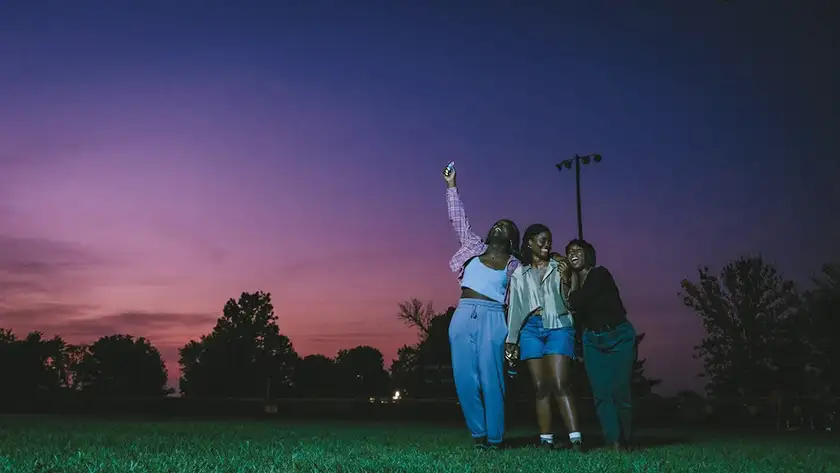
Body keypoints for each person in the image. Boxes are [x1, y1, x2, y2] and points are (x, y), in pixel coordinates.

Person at [443, 163, 520, 450]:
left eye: (506, 226)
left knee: (493, 381)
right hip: (463, 314)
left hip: (494, 318)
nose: (499, 225)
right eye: (497, 224)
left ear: (512, 238)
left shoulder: (515, 266)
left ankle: (496, 438)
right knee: (464, 379)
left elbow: (521, 301)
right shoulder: (473, 247)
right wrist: (451, 186)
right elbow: (458, 218)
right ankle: (478, 435)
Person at [505, 224, 584, 451]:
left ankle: (576, 439)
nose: (547, 244)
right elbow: (515, 309)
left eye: (549, 240)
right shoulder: (519, 274)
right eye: (541, 240)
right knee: (540, 387)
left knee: (560, 382)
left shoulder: (559, 266)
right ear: (529, 243)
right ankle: (546, 440)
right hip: (530, 330)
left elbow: (570, 299)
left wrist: (567, 277)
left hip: (558, 325)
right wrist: (512, 340)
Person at [564, 239, 637, 452]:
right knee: (602, 393)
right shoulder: (576, 282)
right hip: (593, 341)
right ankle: (613, 441)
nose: (573, 254)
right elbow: (574, 312)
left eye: (578, 250)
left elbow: (577, 302)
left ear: (588, 254)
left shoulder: (599, 274)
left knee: (621, 390)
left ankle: (627, 439)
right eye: (569, 252)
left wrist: (574, 281)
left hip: (619, 336)